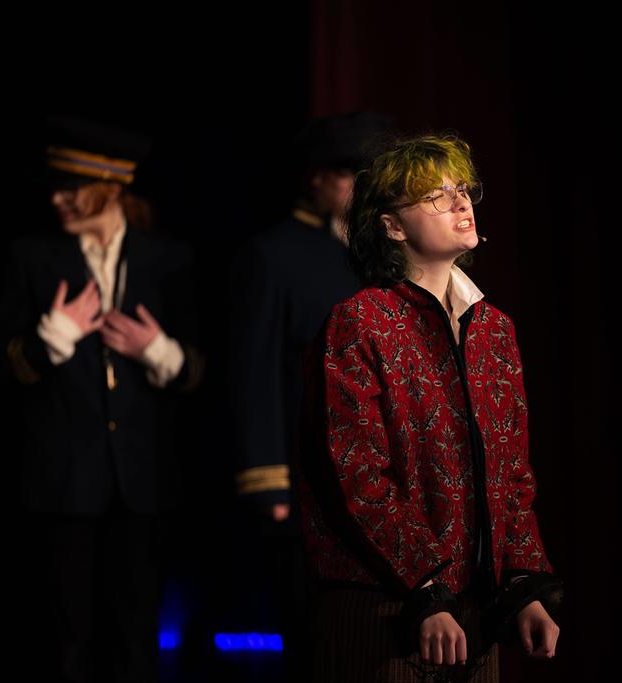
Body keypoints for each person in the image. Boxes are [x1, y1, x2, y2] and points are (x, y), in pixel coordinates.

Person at [297, 134, 562, 682]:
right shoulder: (361, 321)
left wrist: (522, 583)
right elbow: (355, 473)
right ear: (392, 226)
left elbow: (512, 473)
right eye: (436, 196)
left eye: (463, 190)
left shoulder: (495, 329)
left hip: (475, 611)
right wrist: (425, 589)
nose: (461, 202)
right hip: (383, 607)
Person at [0, 118, 201, 683]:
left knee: (136, 636)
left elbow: (202, 369)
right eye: (54, 186)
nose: (57, 198)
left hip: (143, 479)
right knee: (66, 640)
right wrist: (52, 337)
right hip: (63, 481)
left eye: (70, 187)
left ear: (107, 186)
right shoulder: (31, 256)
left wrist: (160, 351)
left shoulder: (168, 259)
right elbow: (0, 367)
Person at [229, 111, 389, 681]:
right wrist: (268, 480)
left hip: (377, 478)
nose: (358, 188)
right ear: (316, 177)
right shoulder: (273, 254)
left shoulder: (379, 253)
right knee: (312, 634)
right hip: (307, 474)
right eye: (348, 174)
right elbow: (255, 375)